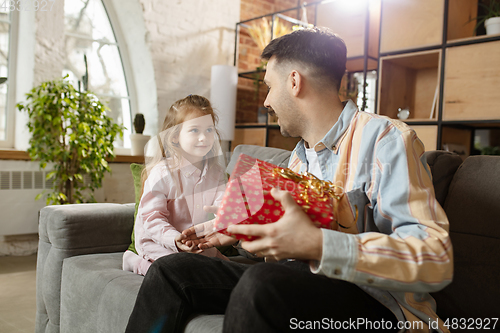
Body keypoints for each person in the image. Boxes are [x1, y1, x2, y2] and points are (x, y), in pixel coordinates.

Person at [125, 28, 452, 333]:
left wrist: (318, 244)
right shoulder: (299, 158)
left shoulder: (385, 140)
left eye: (269, 86)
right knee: (172, 270)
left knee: (262, 283)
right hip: (304, 283)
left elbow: (435, 257)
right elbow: (283, 242)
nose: (266, 101)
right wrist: (228, 227)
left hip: (379, 305)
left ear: (294, 81)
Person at [122, 95, 228, 276]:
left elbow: (222, 207)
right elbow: (152, 218)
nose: (204, 137)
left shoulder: (217, 174)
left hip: (194, 242)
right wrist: (175, 239)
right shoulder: (162, 173)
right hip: (159, 240)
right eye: (195, 130)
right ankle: (134, 261)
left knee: (223, 266)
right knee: (174, 271)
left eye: (209, 130)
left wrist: (223, 217)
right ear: (175, 137)